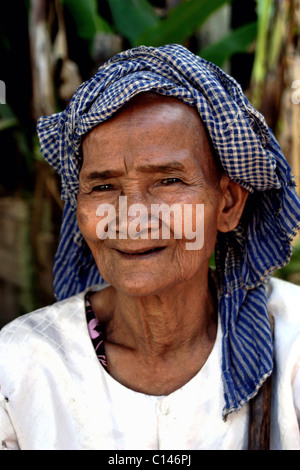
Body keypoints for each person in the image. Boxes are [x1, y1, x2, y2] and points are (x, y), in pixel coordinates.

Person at [0, 44, 300, 451]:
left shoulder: (293, 339)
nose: (133, 216)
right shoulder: (19, 366)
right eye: (103, 187)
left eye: (168, 181)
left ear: (228, 203)